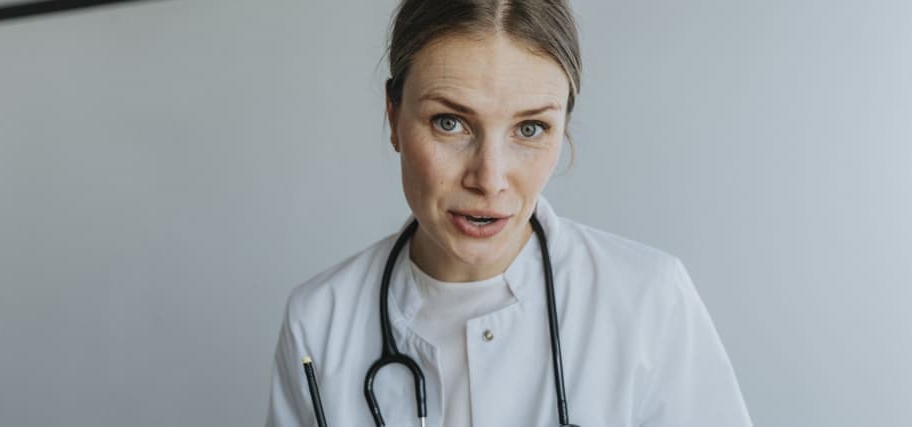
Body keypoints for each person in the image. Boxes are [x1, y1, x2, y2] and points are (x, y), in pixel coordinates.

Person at [267, 0, 753, 425]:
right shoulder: (319, 321)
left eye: (530, 129)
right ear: (394, 118)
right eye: (450, 122)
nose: (489, 178)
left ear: (563, 126)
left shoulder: (649, 302)